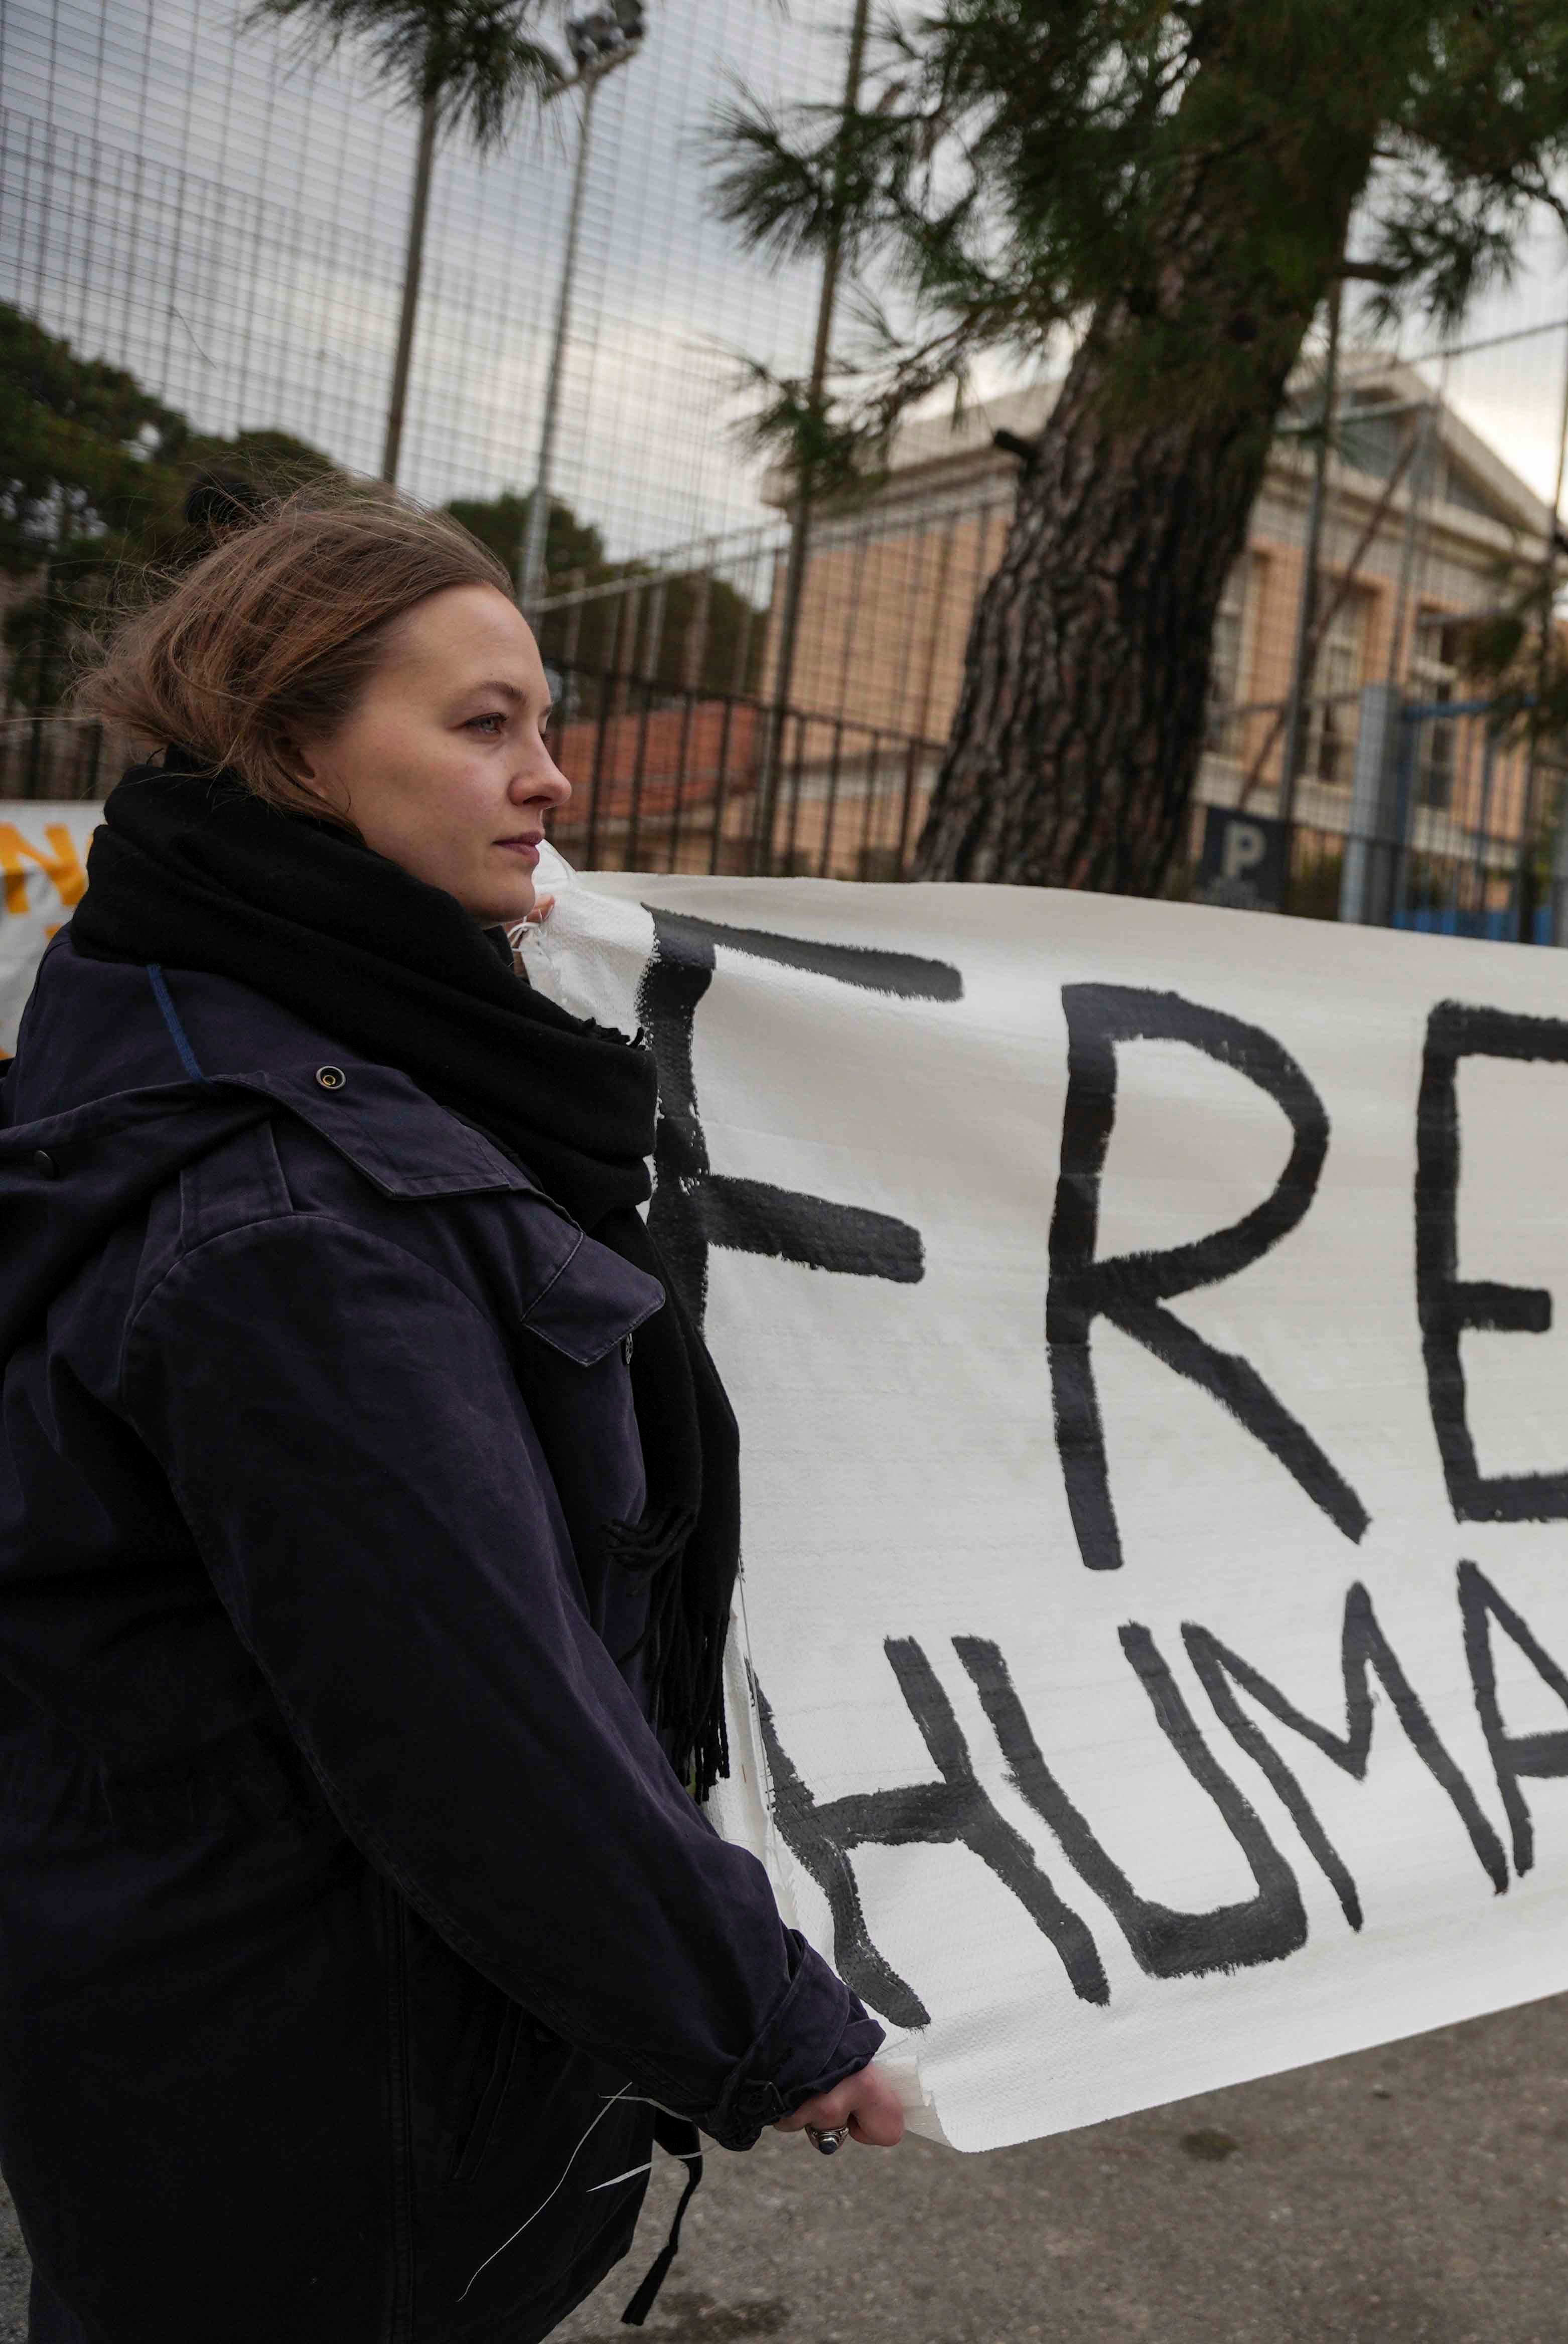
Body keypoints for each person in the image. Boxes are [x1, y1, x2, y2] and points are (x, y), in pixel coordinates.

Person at [0, 493, 899, 2344]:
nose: (552, 779)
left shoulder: (193, 1004)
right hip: (327, 2084)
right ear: (290, 741)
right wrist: (762, 2019)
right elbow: (475, 1710)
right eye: (485, 725)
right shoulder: (294, 1225)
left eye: (544, 725)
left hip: (188, 2009)